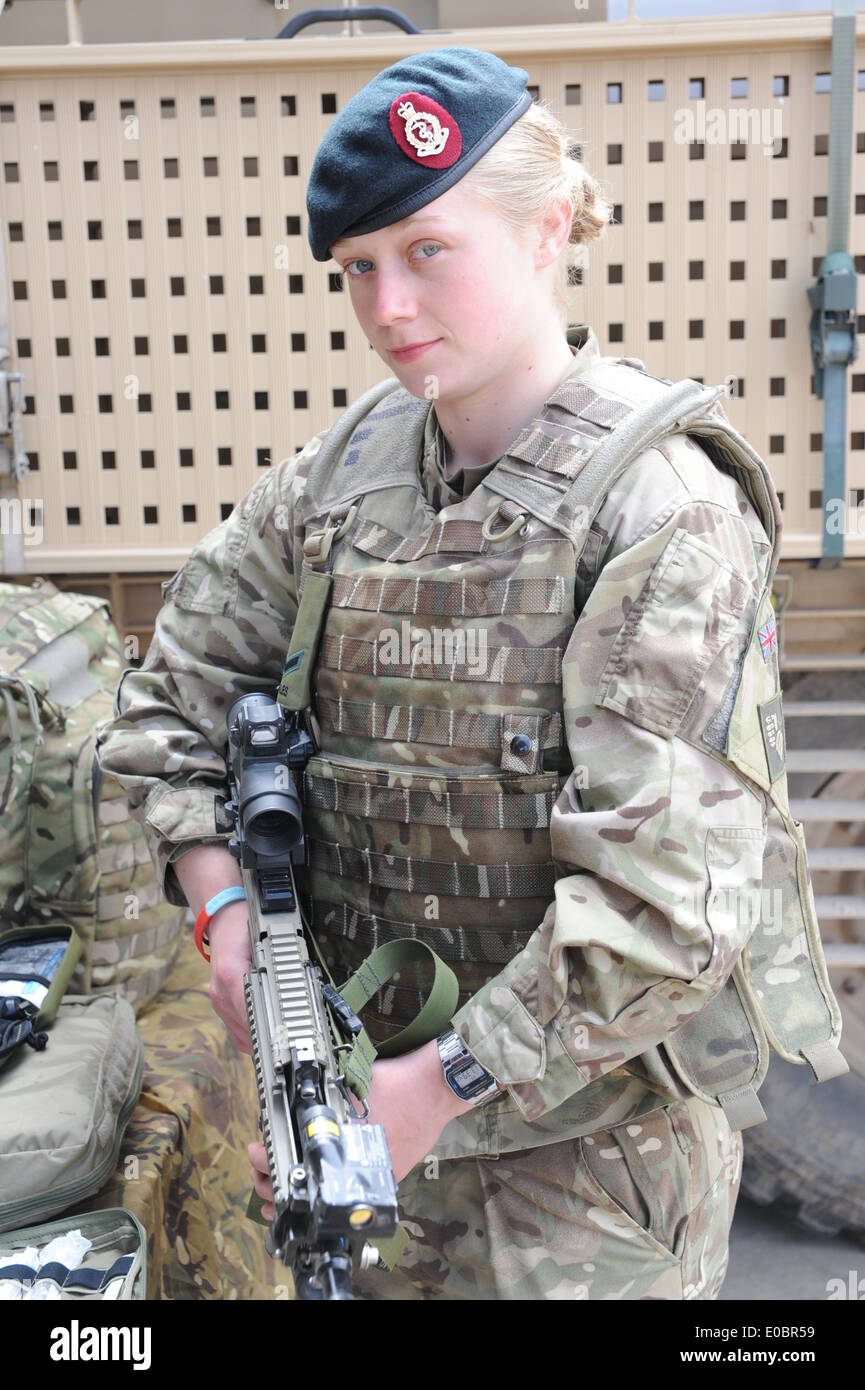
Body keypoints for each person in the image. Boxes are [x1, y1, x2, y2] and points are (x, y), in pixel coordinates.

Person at [96, 46, 776, 1301]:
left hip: (574, 1187)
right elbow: (167, 711)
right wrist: (227, 911)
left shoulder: (659, 511)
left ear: (548, 229)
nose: (388, 307)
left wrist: (436, 1089)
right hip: (345, 1130)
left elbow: (667, 911)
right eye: (358, 269)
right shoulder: (336, 485)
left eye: (427, 251)